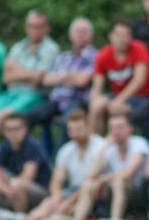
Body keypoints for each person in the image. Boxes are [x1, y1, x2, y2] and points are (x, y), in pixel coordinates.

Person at [0, 109, 104, 220]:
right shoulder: (66, 150)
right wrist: (56, 197)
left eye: (79, 129)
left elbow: (93, 180)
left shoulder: (100, 146)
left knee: (63, 211)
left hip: (93, 191)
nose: (75, 134)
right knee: (48, 204)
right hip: (71, 190)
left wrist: (66, 201)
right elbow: (57, 179)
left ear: (88, 128)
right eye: (71, 130)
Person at [51, 114, 149, 220]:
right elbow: (91, 175)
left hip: (139, 193)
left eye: (120, 128)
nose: (116, 132)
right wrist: (105, 147)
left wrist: (103, 179)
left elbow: (127, 174)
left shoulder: (139, 143)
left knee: (119, 183)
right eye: (112, 128)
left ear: (130, 129)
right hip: (114, 192)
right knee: (88, 185)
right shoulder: (110, 148)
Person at [0, 10, 59, 138]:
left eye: (38, 26)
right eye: (31, 26)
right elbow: (6, 78)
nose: (34, 30)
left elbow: (39, 78)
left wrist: (15, 69)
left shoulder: (51, 49)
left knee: (1, 116)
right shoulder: (18, 47)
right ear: (26, 27)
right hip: (10, 94)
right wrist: (30, 75)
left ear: (47, 28)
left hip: (34, 95)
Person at [28, 17, 97, 155]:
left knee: (68, 123)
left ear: (91, 35)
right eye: (77, 32)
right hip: (55, 101)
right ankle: (31, 160)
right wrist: (71, 77)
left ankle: (56, 165)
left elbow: (83, 81)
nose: (80, 35)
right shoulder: (63, 56)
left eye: (84, 32)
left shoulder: (95, 56)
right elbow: (46, 80)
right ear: (71, 35)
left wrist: (60, 77)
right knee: (28, 118)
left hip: (78, 101)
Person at [89, 21, 149, 141]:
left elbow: (139, 80)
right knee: (97, 105)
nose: (122, 39)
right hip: (116, 95)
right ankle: (95, 146)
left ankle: (118, 146)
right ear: (111, 36)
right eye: (118, 35)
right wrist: (95, 101)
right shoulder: (103, 54)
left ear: (131, 37)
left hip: (141, 97)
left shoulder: (139, 48)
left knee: (116, 108)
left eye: (126, 35)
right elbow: (97, 86)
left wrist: (118, 100)